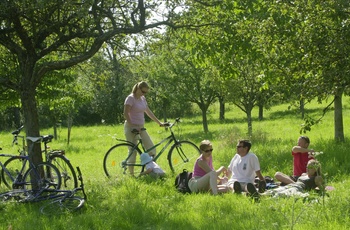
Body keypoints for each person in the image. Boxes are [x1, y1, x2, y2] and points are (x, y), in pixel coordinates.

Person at [124, 81, 166, 175]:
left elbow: (148, 111)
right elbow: (126, 113)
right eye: (143, 92)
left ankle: (153, 170)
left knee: (151, 148)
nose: (144, 94)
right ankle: (132, 174)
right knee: (133, 150)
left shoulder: (142, 99)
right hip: (131, 127)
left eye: (146, 92)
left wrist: (159, 123)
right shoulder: (130, 98)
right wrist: (132, 126)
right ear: (138, 89)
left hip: (141, 127)